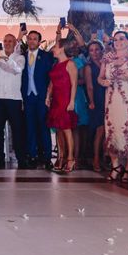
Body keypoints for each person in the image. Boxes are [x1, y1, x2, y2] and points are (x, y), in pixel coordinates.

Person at [98, 31, 128, 182]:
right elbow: (100, 78)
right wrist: (103, 82)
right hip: (112, 100)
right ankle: (115, 165)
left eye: (121, 39)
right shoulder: (107, 59)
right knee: (112, 130)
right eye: (115, 39)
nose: (118, 42)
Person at [0, 34, 26, 169]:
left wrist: (4, 58)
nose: (7, 43)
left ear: (15, 43)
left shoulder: (20, 58)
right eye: (5, 41)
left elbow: (16, 69)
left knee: (17, 130)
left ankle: (21, 159)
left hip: (13, 98)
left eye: (10, 41)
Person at [20, 29, 54, 169]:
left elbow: (51, 77)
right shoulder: (21, 57)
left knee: (44, 127)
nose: (32, 41)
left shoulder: (46, 56)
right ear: (27, 40)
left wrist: (48, 96)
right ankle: (32, 155)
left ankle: (47, 157)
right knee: (30, 127)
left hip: (42, 97)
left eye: (35, 39)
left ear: (39, 42)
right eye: (30, 38)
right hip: (27, 97)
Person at [45, 38, 78, 173]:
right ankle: (61, 156)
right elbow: (52, 82)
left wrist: (71, 101)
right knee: (58, 129)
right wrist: (48, 96)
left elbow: (74, 84)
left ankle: (71, 158)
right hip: (56, 100)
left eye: (55, 47)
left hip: (65, 99)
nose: (53, 49)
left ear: (62, 49)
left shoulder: (70, 64)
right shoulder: (55, 65)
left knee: (66, 129)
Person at [85, 40, 106, 172]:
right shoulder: (88, 67)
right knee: (99, 130)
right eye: (91, 50)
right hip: (96, 100)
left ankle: (103, 158)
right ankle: (96, 159)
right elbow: (89, 86)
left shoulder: (106, 63)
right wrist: (92, 102)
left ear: (101, 50)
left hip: (108, 97)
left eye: (97, 49)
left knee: (105, 131)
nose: (94, 52)